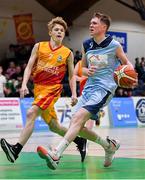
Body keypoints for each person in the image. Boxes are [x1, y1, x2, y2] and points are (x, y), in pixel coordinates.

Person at [36, 12, 137, 170]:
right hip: (89, 89)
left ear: (104, 27)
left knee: (78, 119)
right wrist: (85, 72)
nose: (91, 25)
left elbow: (127, 64)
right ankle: (108, 145)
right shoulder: (86, 44)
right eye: (90, 23)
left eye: (95, 23)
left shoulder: (115, 45)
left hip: (104, 89)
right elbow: (81, 68)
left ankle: (56, 154)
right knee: (76, 126)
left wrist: (131, 76)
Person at [0, 17, 87, 163]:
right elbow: (28, 67)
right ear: (50, 32)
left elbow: (72, 76)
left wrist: (73, 93)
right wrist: (23, 85)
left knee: (31, 112)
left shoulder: (67, 53)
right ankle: (79, 141)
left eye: (62, 30)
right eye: (56, 29)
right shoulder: (39, 46)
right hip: (38, 89)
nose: (59, 32)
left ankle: (15, 150)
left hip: (52, 89)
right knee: (54, 127)